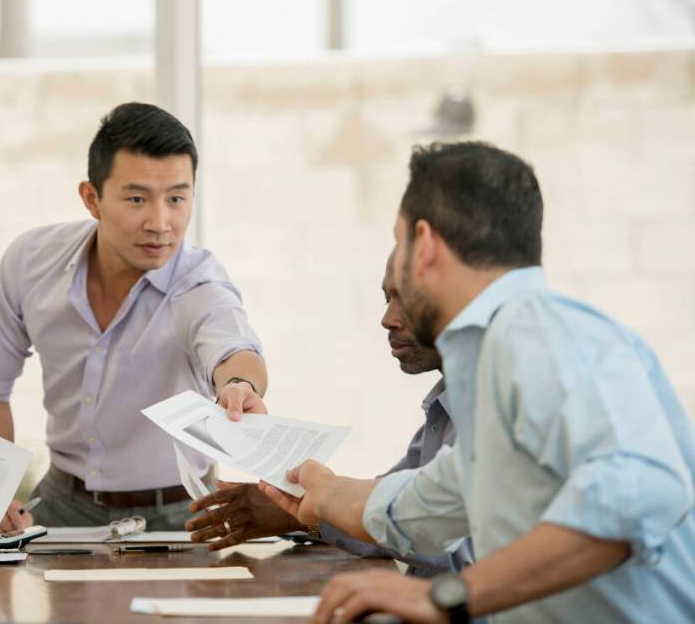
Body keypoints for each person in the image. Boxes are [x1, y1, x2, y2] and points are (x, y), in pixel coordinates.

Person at [261, 142, 695, 623]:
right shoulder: (498, 359)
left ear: (424, 245)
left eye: (399, 243)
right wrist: (324, 493)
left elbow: (636, 496)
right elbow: (429, 503)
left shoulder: (539, 333)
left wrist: (444, 597)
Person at [0, 102, 268, 530]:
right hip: (61, 502)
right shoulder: (31, 261)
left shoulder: (200, 283)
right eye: (137, 199)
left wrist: (240, 386)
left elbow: (233, 347)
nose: (160, 222)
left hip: (180, 513)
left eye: (177, 198)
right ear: (92, 198)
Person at [186, 254, 473, 577]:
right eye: (387, 298)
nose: (387, 319)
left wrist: (315, 506)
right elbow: (395, 507)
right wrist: (301, 507)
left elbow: (448, 541)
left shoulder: (485, 406)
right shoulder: (446, 404)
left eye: (407, 299)